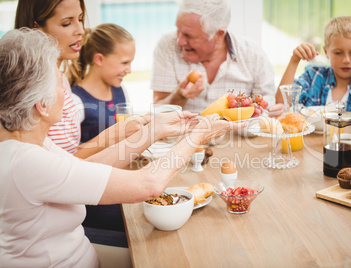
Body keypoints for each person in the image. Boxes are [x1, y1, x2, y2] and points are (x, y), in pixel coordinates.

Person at [0, 28, 242, 267]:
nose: (66, 89)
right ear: (41, 105)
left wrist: (153, 130)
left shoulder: (30, 143)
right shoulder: (27, 163)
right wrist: (196, 137)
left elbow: (85, 168)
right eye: (59, 84)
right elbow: (149, 185)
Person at [14, 0, 139, 159]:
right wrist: (112, 136)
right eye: (66, 23)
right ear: (36, 27)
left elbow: (67, 160)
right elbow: (51, 166)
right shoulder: (28, 90)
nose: (80, 30)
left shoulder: (62, 82)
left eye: (80, 19)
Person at [275, 16, 351, 148]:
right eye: (338, 53)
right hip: (311, 148)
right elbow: (282, 102)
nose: (346, 60)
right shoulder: (314, 76)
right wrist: (294, 60)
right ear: (326, 52)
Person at [151, 0, 280, 114]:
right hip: (185, 139)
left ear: (219, 35)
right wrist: (180, 95)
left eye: (188, 35)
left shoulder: (253, 55)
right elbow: (157, 110)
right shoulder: (167, 45)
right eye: (178, 30)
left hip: (238, 137)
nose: (180, 41)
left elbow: (265, 109)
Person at [70, 23, 134, 144]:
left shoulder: (121, 91)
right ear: (99, 59)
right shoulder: (75, 100)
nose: (129, 70)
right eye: (124, 63)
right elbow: (70, 154)